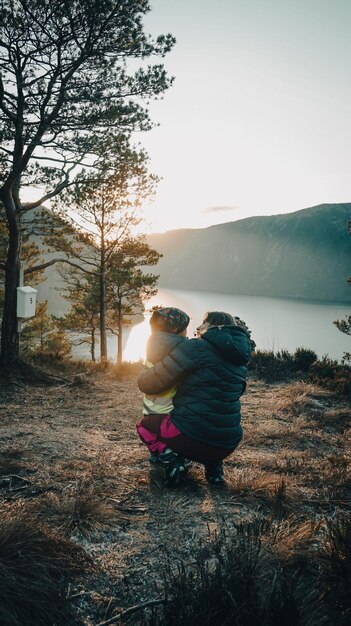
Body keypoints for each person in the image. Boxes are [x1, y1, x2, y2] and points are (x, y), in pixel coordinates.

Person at [137, 310, 252, 485]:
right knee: (213, 416)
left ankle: (171, 460)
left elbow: (151, 383)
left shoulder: (196, 347)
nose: (198, 327)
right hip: (227, 444)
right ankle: (214, 469)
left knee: (144, 426)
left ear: (216, 327)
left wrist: (144, 374)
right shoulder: (240, 363)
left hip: (190, 439)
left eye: (204, 323)